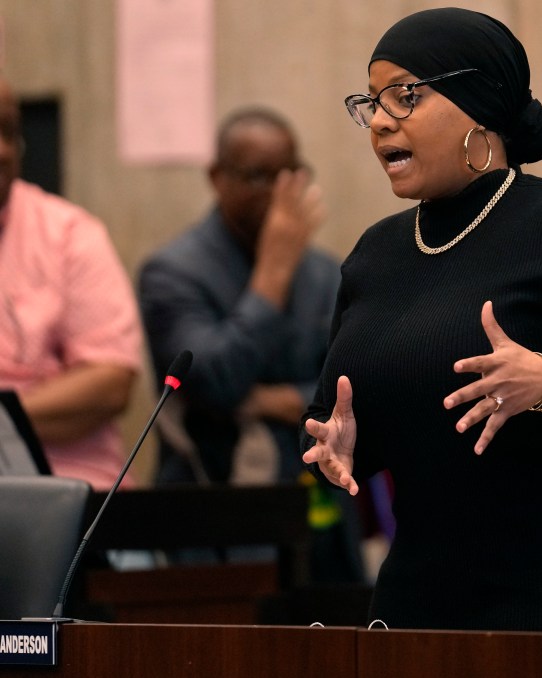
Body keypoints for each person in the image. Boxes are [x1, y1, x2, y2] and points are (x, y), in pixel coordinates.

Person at [302, 8, 542, 634]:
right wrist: (338, 446)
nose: (377, 121)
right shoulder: (375, 254)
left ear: (477, 102)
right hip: (428, 576)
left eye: (404, 97)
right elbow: (335, 419)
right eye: (370, 102)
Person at [138, 108, 365, 580]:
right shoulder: (171, 273)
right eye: (260, 176)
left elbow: (351, 386)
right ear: (217, 178)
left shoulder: (326, 273)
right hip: (212, 525)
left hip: (317, 523)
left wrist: (279, 400)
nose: (280, 191)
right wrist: (272, 275)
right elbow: (214, 382)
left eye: (290, 174)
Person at [0, 74, 143, 490]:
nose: (3, 151)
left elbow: (110, 384)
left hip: (67, 493)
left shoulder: (69, 233)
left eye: (9, 132)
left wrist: (6, 422)